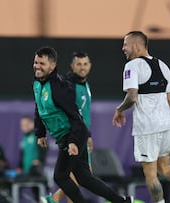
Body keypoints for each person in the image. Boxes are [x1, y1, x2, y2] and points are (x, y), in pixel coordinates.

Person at [32, 46, 133, 203]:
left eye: (41, 64)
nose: (37, 66)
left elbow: (75, 117)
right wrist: (40, 133)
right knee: (85, 178)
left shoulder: (60, 87)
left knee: (60, 176)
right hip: (72, 135)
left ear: (52, 66)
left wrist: (73, 141)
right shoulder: (38, 84)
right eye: (36, 62)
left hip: (72, 134)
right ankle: (122, 201)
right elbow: (39, 108)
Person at [112, 31, 170, 203]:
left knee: (150, 173)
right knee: (165, 168)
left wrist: (119, 109)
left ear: (137, 45)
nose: (123, 48)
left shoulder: (132, 66)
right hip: (166, 124)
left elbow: (132, 96)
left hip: (146, 127)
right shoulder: (163, 66)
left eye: (125, 44)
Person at [41, 52, 94, 203]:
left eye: (85, 64)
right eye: (79, 64)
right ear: (72, 66)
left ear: (90, 66)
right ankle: (53, 199)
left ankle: (53, 199)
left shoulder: (84, 84)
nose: (82, 67)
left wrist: (88, 135)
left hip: (82, 136)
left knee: (81, 176)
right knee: (76, 176)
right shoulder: (69, 85)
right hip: (74, 137)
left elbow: (84, 113)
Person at [16, 115, 47, 202]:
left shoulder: (37, 135)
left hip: (35, 170)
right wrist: (20, 167)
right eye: (22, 125)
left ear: (31, 124)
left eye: (26, 125)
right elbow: (22, 154)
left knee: (38, 193)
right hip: (25, 170)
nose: (23, 127)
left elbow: (44, 148)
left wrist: (40, 160)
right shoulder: (24, 138)